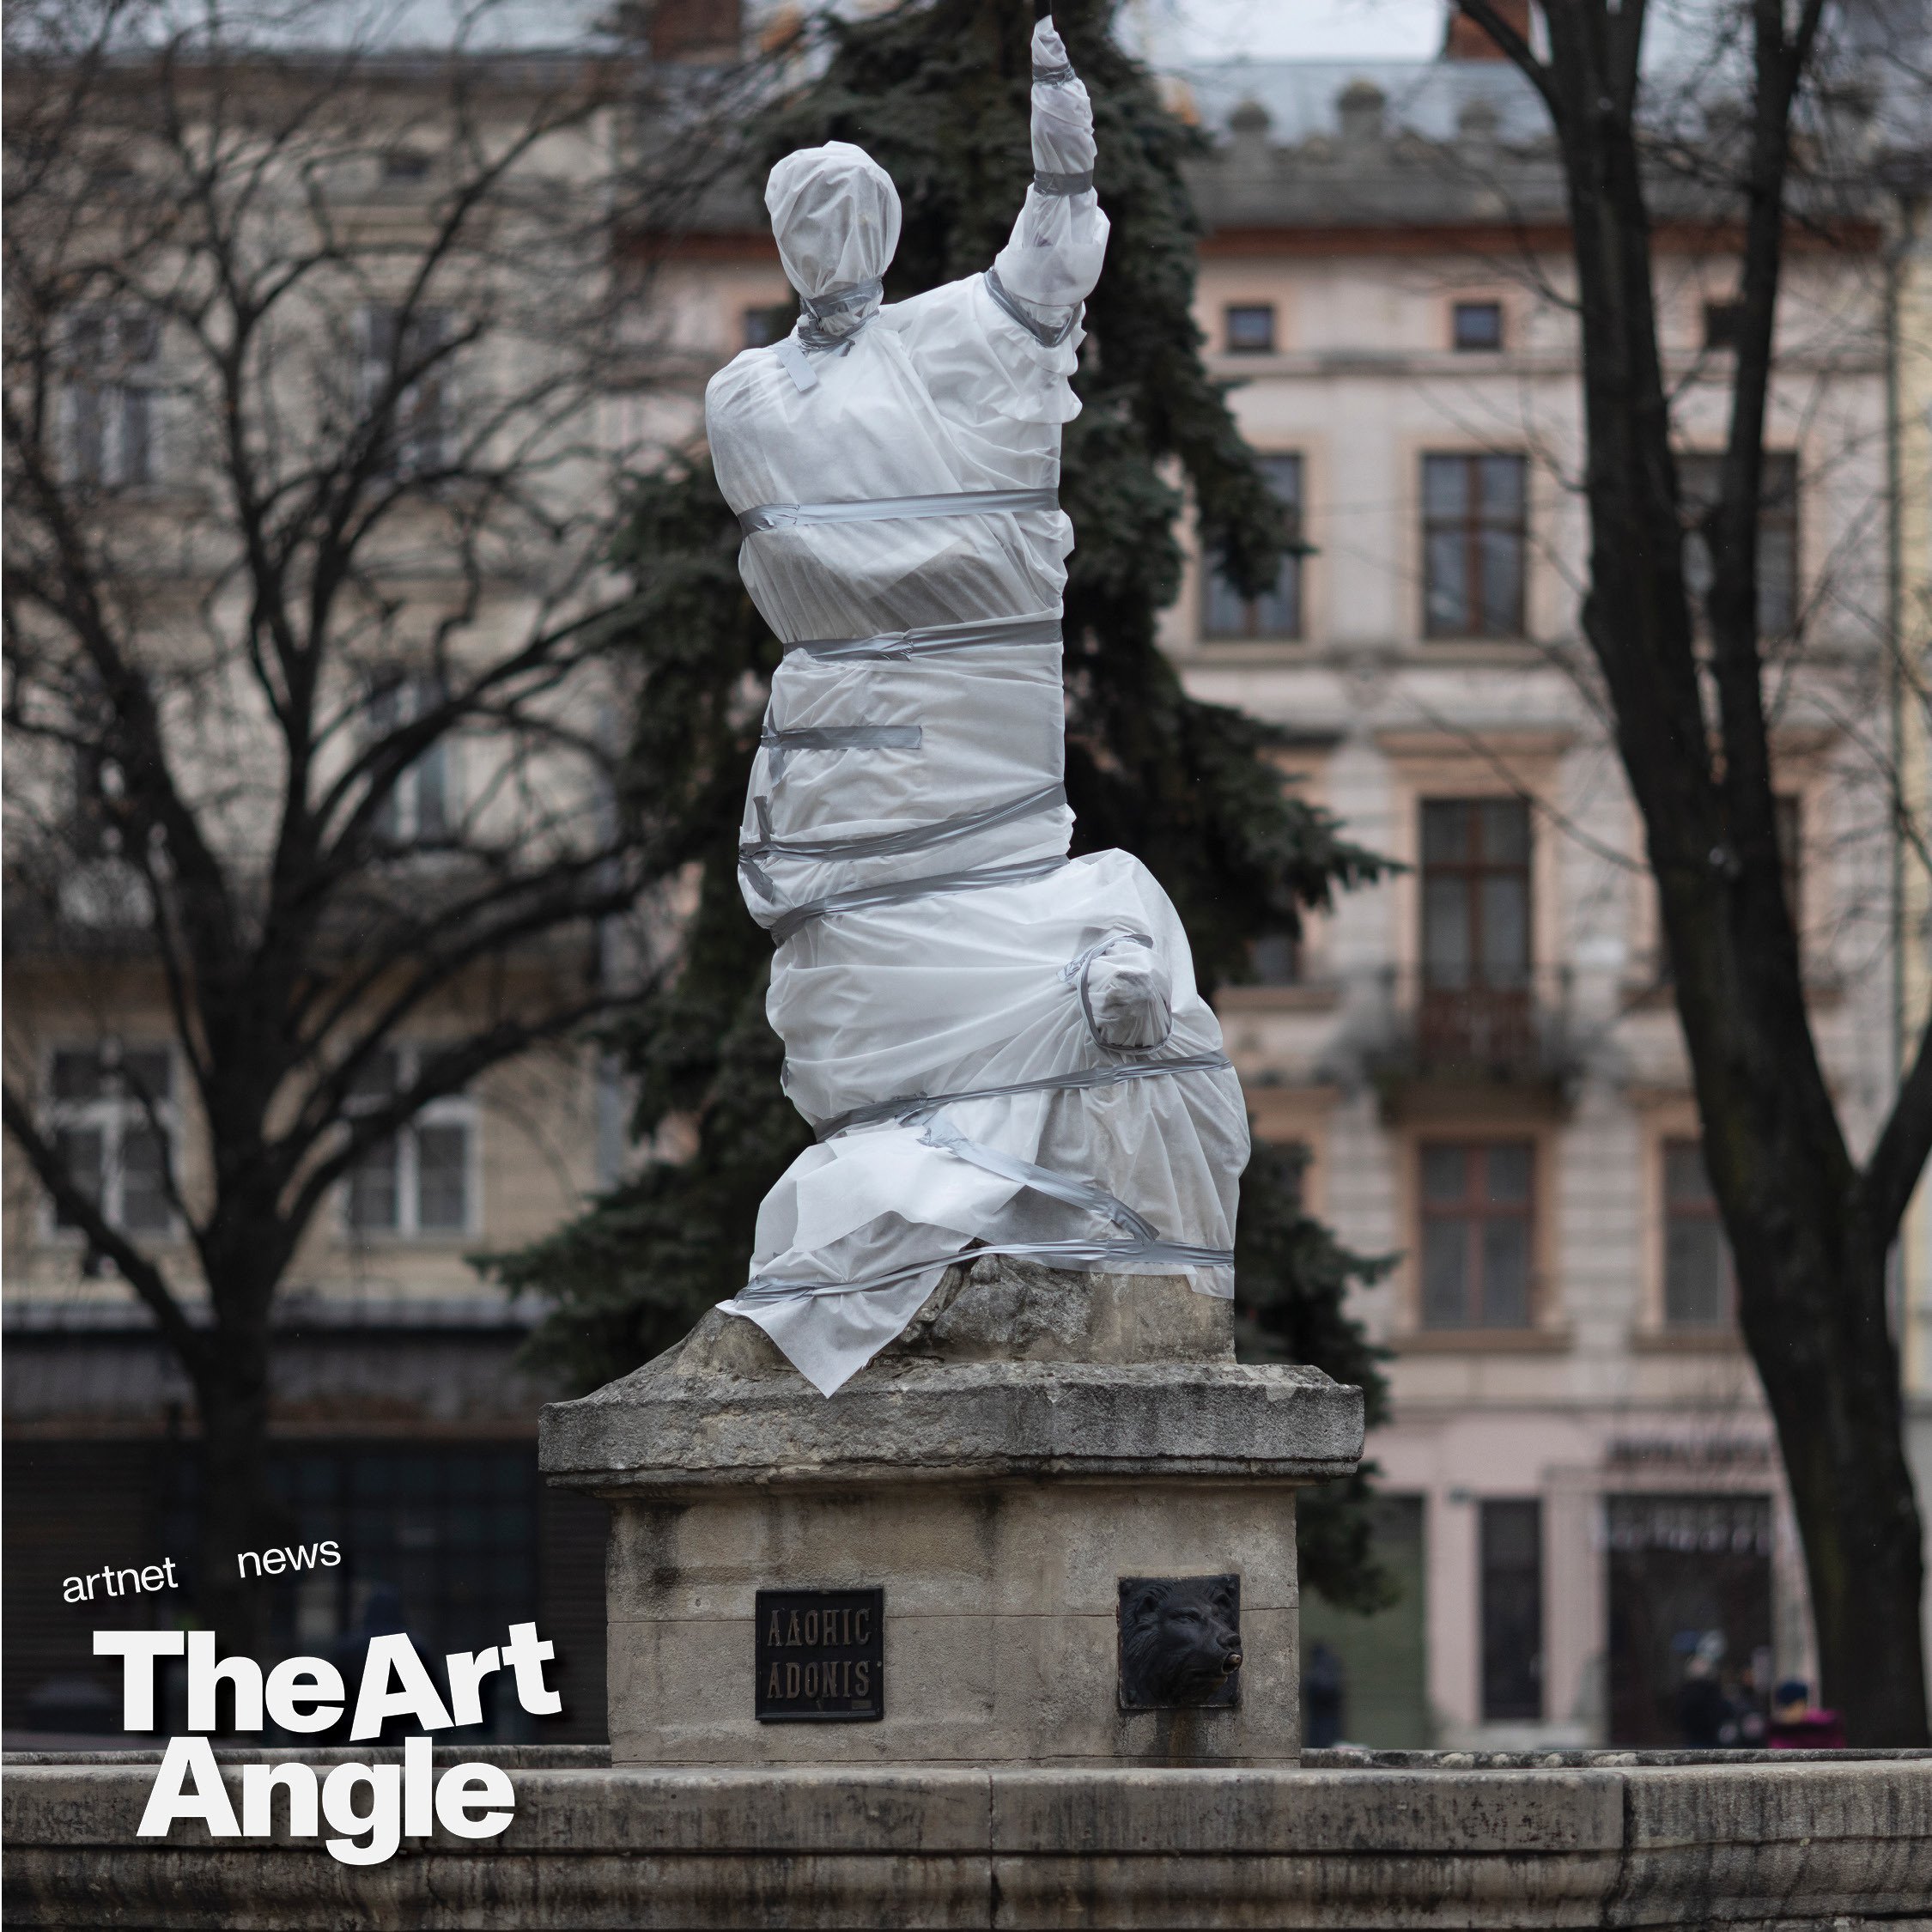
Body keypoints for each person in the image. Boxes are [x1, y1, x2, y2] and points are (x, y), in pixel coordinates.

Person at [704, 18, 1249, 1396]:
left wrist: (1063, 149)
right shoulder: (750, 392)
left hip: (966, 725)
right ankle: (969, 1150)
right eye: (809, 222)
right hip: (854, 747)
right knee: (883, 972)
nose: (832, 244)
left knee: (1079, 952)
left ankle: (1053, 1129)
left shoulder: (936, 341)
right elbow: (806, 546)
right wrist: (959, 551)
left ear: (880, 234)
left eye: (852, 217)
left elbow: (1051, 269)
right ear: (785, 244)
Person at [1765, 1679, 1846, 1749]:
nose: (1788, 1713)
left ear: (1803, 1704)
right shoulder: (1780, 1732)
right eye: (1784, 1708)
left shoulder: (1825, 1727)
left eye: (1792, 1707)